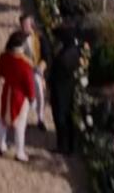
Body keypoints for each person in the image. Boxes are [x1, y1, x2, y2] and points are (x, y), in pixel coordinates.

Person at [0, 31, 35, 162]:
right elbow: (29, 84)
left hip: (7, 91)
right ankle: (20, 152)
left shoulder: (4, 56)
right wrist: (32, 98)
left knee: (3, 120)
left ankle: (1, 145)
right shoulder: (25, 65)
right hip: (19, 96)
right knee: (20, 125)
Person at [48, 25, 79, 155]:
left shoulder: (65, 55)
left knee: (60, 117)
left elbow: (56, 72)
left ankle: (63, 145)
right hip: (68, 88)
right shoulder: (73, 50)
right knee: (67, 117)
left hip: (60, 89)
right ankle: (69, 146)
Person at [20, 14, 48, 131]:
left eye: (27, 24)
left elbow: (46, 55)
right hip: (23, 69)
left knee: (39, 87)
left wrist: (42, 65)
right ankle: (23, 118)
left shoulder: (39, 38)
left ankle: (40, 117)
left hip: (36, 69)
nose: (25, 26)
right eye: (23, 24)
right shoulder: (18, 38)